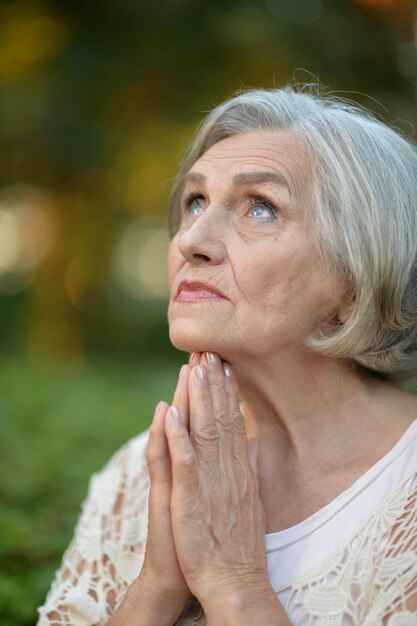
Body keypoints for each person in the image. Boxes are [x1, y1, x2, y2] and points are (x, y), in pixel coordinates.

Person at [37, 84, 417, 626]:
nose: (193, 238)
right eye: (195, 201)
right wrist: (157, 585)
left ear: (353, 284)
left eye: (260, 208)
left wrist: (233, 582)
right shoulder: (137, 474)